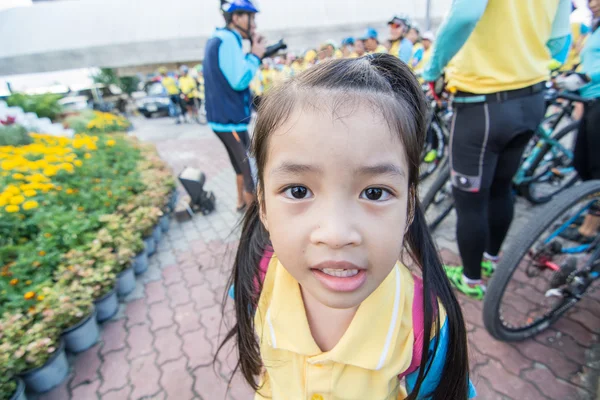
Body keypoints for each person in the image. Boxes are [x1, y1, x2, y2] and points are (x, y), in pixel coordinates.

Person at [218, 54, 475, 399]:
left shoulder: (424, 324)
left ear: (410, 205)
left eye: (374, 192)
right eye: (298, 191)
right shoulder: (255, 279)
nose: (337, 235)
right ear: (262, 204)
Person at [422, 0, 571, 299]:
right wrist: (522, 58)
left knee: (470, 202)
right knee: (502, 188)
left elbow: (464, 16)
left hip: (483, 103)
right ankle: (491, 260)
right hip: (531, 98)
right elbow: (559, 42)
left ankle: (472, 280)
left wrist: (433, 69)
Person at [203, 0, 266, 212]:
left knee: (239, 165)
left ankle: (240, 202)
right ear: (237, 17)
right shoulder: (229, 39)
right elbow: (238, 80)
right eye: (252, 18)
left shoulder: (217, 38)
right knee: (250, 172)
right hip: (230, 121)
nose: (254, 24)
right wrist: (256, 55)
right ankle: (254, 232)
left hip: (221, 120)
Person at [556, 0, 600, 243]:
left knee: (596, 167)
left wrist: (586, 76)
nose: (592, 4)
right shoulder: (594, 29)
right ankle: (589, 216)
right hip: (590, 97)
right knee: (582, 162)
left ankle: (589, 229)